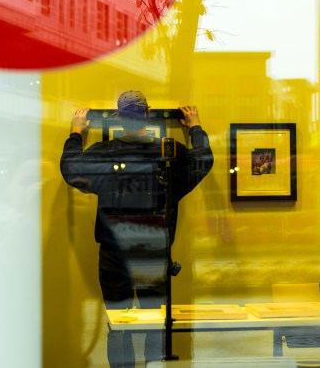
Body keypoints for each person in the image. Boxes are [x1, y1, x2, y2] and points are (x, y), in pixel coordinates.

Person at [60, 91, 214, 367]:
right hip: (153, 249)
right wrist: (195, 129)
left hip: (113, 252)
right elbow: (203, 161)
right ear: (147, 116)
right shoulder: (170, 151)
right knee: (155, 322)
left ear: (118, 118)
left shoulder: (103, 153)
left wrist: (76, 134)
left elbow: (71, 167)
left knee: (118, 324)